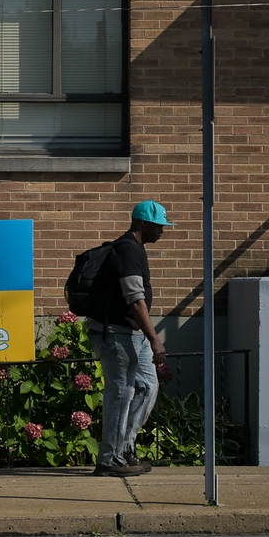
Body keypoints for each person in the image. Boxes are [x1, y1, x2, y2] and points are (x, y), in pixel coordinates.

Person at [86, 199, 171, 477]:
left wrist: (147, 339)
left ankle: (124, 450)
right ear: (142, 223)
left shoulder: (136, 249)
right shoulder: (128, 251)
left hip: (132, 333)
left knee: (147, 385)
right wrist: (155, 339)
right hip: (115, 334)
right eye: (158, 226)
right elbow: (135, 300)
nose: (162, 232)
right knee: (120, 393)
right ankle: (109, 459)